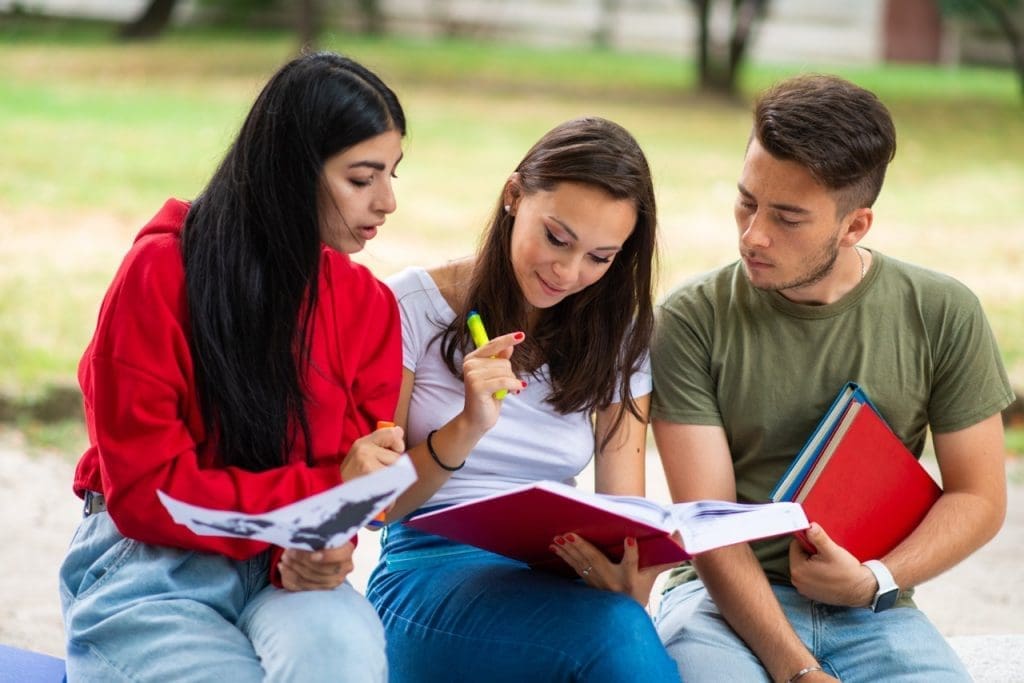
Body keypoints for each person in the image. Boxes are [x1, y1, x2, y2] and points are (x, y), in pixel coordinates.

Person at [650, 73, 1014, 683]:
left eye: (787, 218)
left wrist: (878, 579)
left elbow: (978, 496)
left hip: (873, 607)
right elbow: (710, 528)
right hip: (720, 605)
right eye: (746, 200)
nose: (752, 234)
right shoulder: (692, 319)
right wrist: (799, 672)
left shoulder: (943, 312)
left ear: (855, 227)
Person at [59, 52, 407, 682]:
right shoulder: (160, 274)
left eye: (393, 174)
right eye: (362, 179)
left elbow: (359, 479)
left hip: (284, 571)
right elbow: (150, 495)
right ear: (290, 172)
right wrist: (321, 500)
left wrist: (324, 546)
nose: (386, 202)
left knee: (343, 663)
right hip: (152, 568)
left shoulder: (370, 307)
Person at [366, 116, 680, 682]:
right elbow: (375, 505)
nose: (568, 270)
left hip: (557, 573)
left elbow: (626, 514)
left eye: (600, 257)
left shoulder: (619, 334)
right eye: (557, 237)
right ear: (514, 196)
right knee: (614, 638)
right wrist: (468, 424)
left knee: (619, 626)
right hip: (429, 569)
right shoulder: (410, 305)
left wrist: (629, 581)